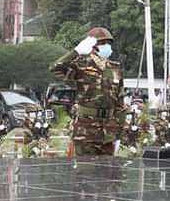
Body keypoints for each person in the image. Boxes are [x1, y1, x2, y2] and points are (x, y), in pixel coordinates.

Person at [51, 27, 125, 156]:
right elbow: (55, 68)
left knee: (109, 172)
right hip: (86, 129)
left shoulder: (115, 68)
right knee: (86, 171)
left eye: (108, 43)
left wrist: (119, 132)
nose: (106, 46)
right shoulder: (81, 65)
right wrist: (76, 52)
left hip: (109, 130)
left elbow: (120, 102)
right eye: (102, 43)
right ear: (92, 45)